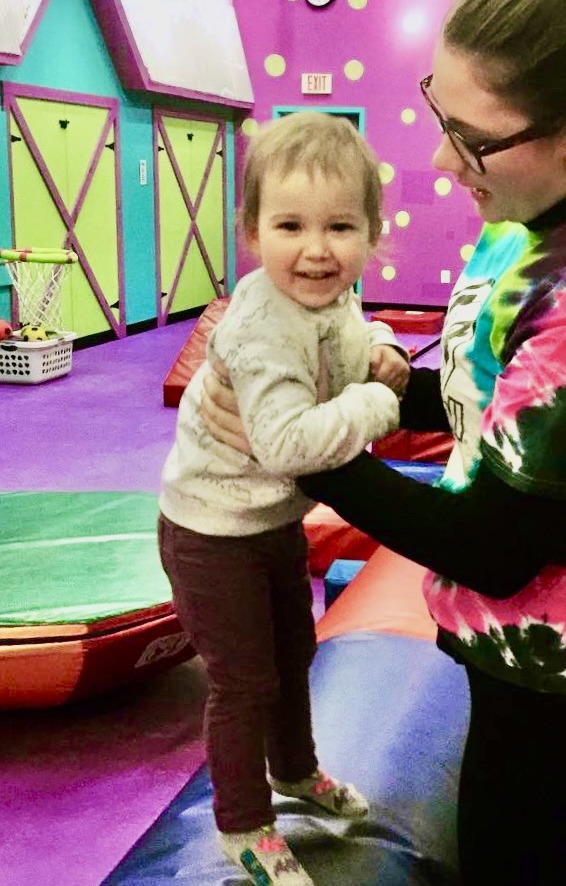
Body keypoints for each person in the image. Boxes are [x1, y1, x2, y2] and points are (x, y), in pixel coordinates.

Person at [203, 0, 566, 884]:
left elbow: (494, 542)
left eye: (474, 139)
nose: (445, 159)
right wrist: (344, 386)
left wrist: (300, 449)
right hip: (523, 659)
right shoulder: (525, 220)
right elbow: (480, 392)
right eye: (442, 115)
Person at [158, 111, 409, 886]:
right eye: (290, 224)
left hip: (269, 518)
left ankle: (295, 770)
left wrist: (383, 349)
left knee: (297, 653)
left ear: (371, 232)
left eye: (341, 226)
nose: (316, 248)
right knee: (243, 681)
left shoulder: (331, 295)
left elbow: (348, 336)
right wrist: (379, 402)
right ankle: (243, 823)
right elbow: (293, 445)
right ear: (251, 230)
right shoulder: (263, 323)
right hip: (210, 528)